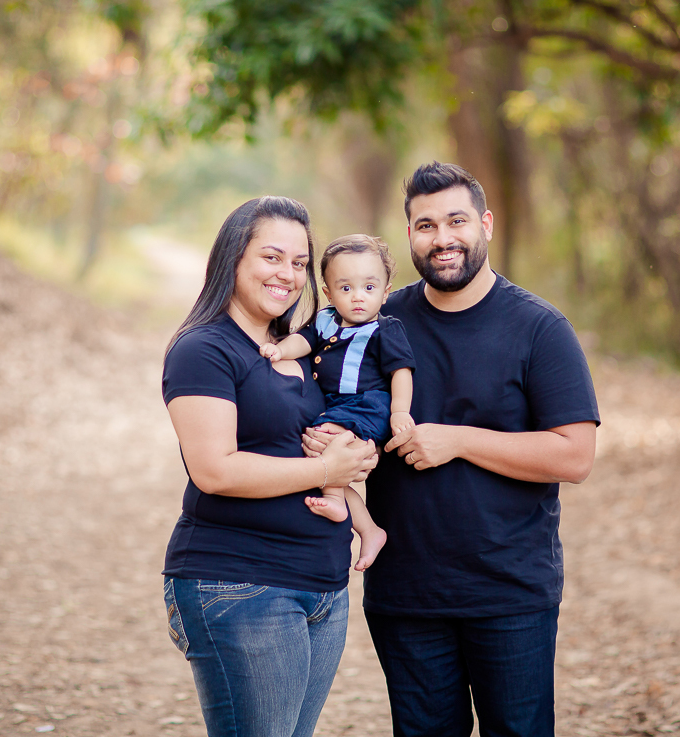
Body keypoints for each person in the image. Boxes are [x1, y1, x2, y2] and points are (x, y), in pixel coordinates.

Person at [304, 162, 600, 737]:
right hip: (406, 592)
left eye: (456, 221)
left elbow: (575, 456)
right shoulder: (376, 319)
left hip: (509, 592)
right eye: (426, 225)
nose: (443, 238)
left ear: (485, 224)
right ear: (408, 235)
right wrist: (330, 441)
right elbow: (325, 396)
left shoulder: (539, 328)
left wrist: (458, 441)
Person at [160, 196, 379, 737]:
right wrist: (327, 472)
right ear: (233, 257)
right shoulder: (204, 350)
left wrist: (357, 454)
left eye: (300, 263)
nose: (288, 274)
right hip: (241, 583)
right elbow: (216, 471)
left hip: (323, 586)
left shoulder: (298, 348)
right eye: (272, 257)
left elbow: (322, 438)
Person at [261, 234, 415, 571]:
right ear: (329, 292)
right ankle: (369, 529)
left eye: (369, 288)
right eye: (346, 288)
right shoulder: (324, 320)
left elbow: (401, 372)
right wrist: (280, 350)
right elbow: (302, 342)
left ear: (386, 292)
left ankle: (336, 501)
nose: (358, 297)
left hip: (366, 406)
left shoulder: (385, 329)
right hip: (334, 405)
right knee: (323, 457)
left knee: (327, 444)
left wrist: (400, 412)